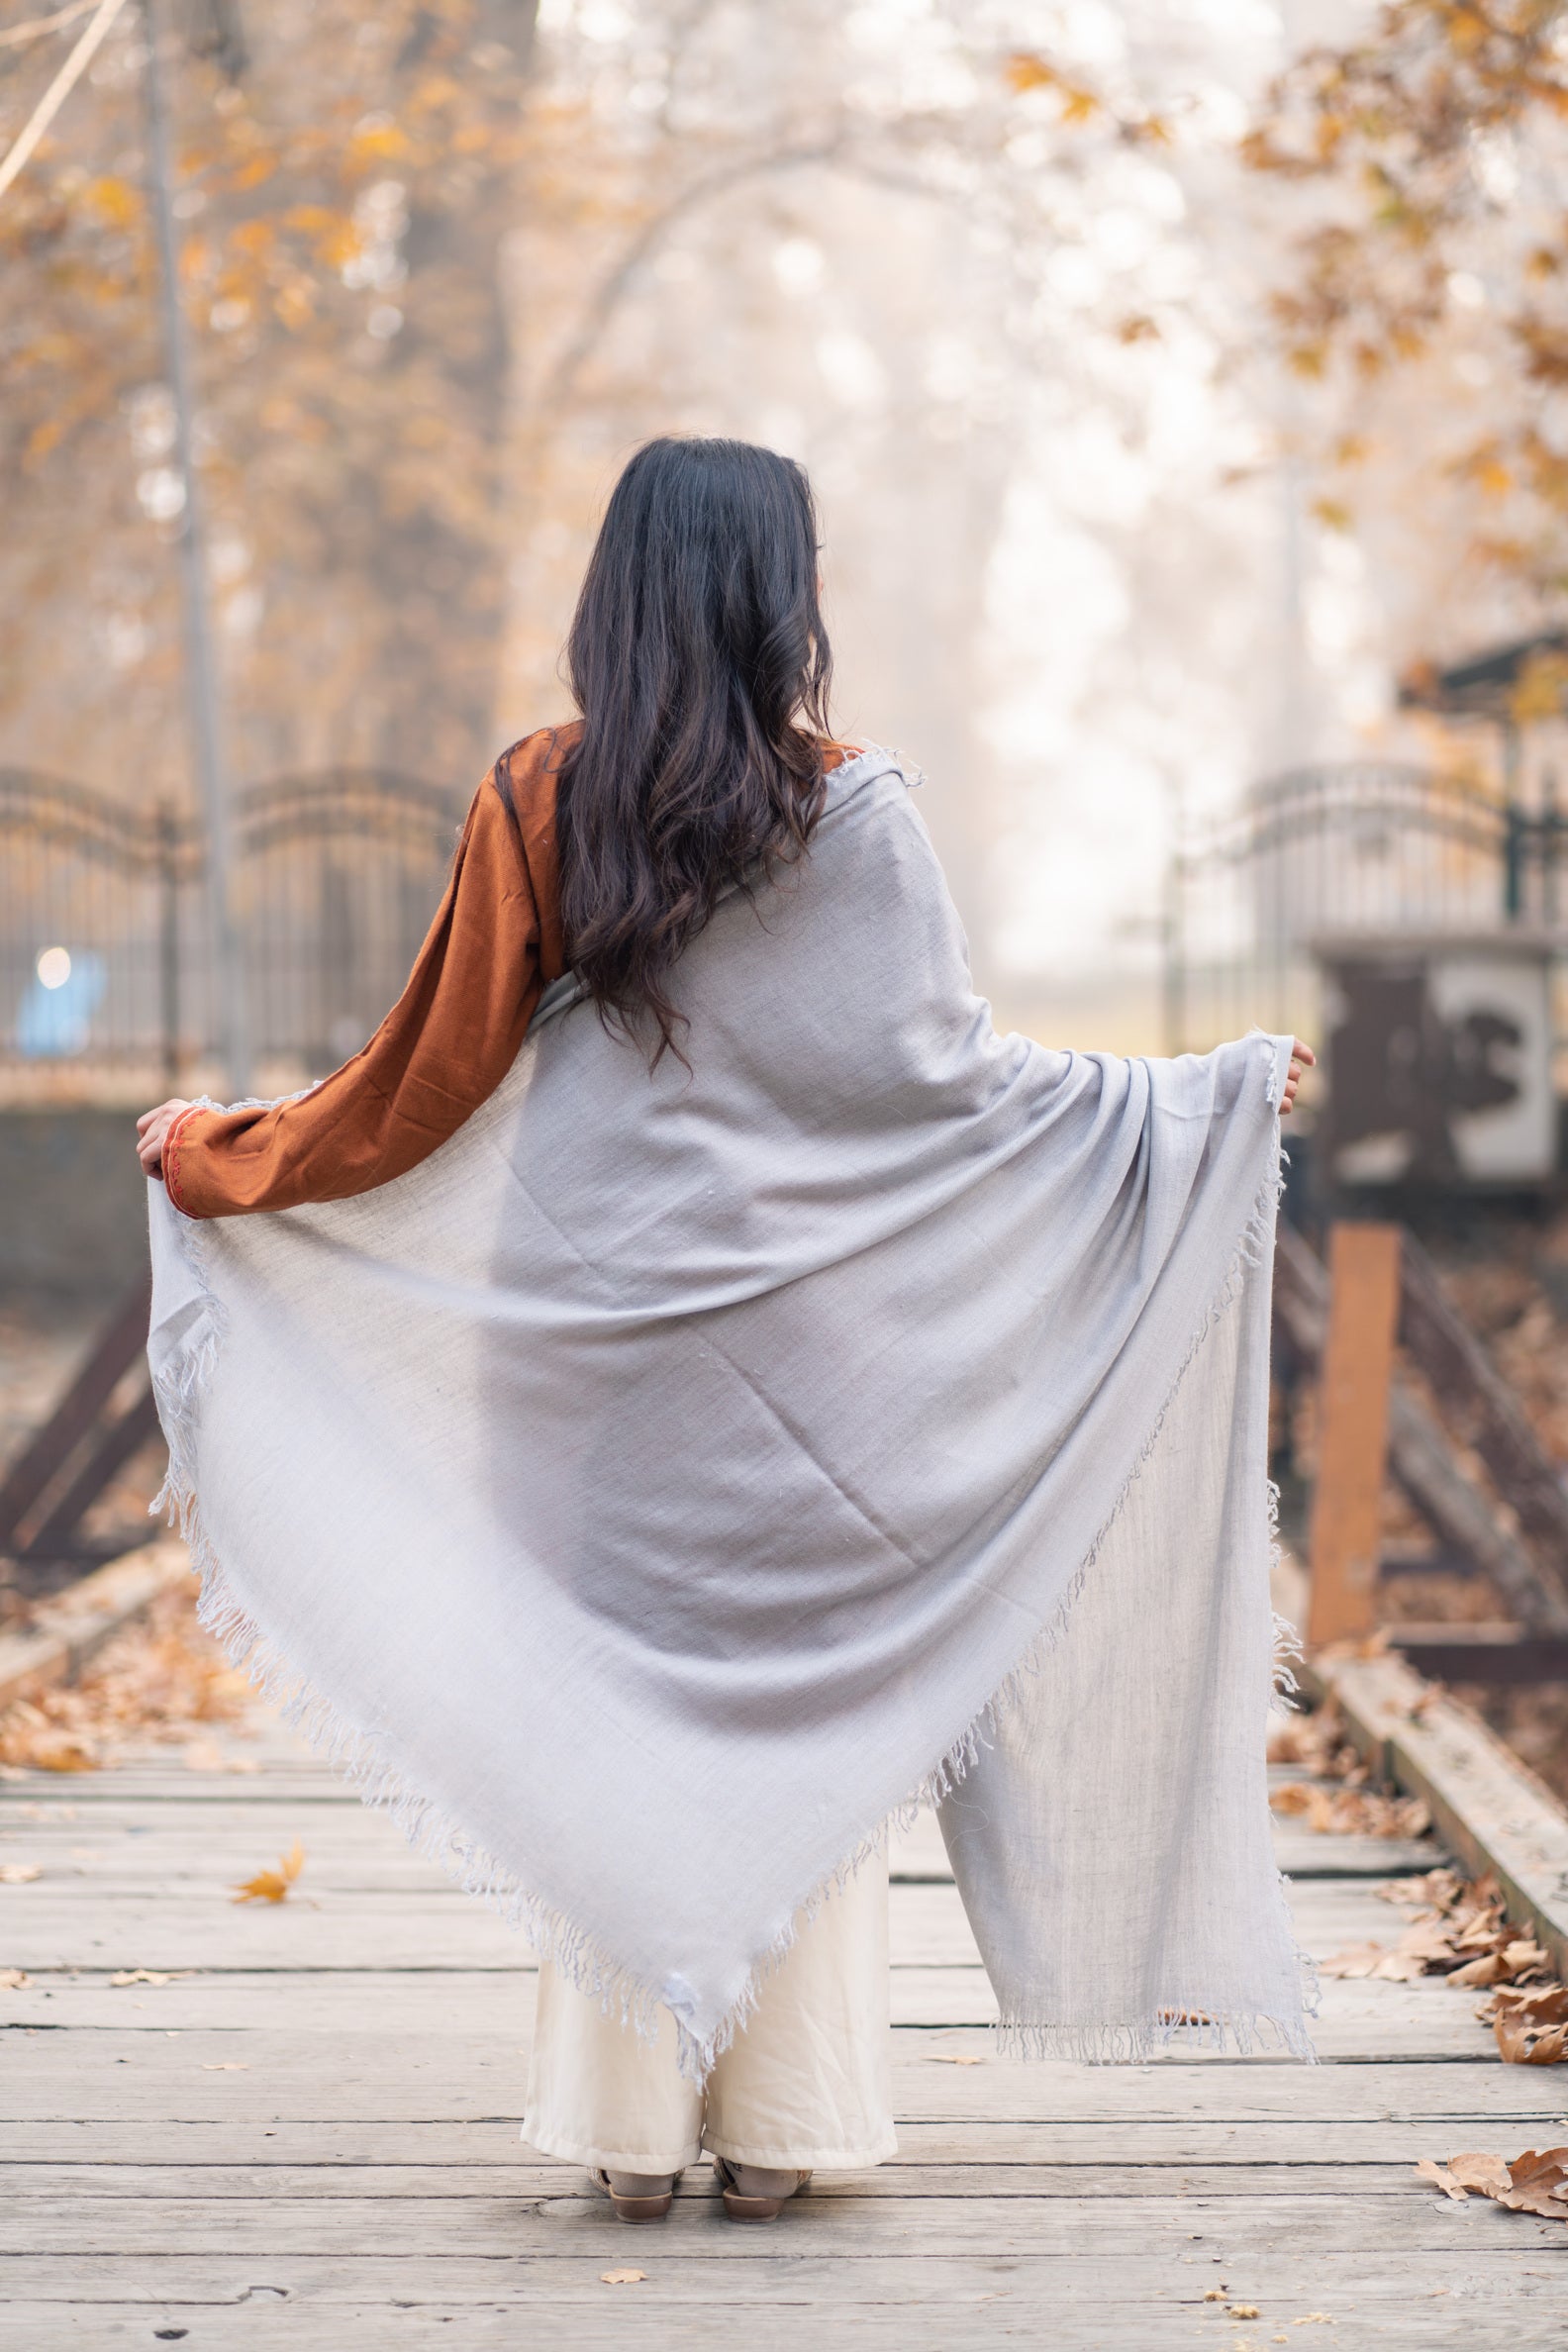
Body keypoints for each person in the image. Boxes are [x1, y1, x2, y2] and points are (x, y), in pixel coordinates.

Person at [137, 436, 1315, 2227]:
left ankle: (620, 2134)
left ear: (617, 591)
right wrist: (1199, 1100)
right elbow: (956, 1089)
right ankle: (794, 2128)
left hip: (582, 1369)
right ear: (787, 596)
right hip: (813, 1391)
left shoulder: (539, 795)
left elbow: (417, 1090)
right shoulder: (859, 812)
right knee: (810, 1724)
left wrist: (226, 1152)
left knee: (606, 1722)